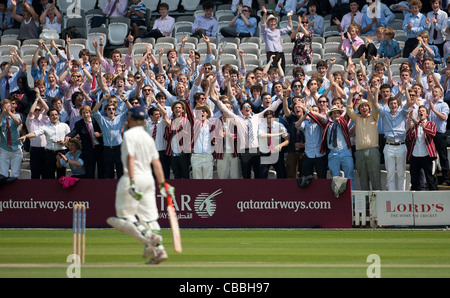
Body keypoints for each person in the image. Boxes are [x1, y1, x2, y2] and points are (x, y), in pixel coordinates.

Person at [107, 105, 174, 265]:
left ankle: (149, 237)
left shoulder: (129, 135)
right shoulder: (148, 137)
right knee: (150, 219)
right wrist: (163, 184)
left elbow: (130, 158)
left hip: (133, 177)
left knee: (124, 217)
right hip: (148, 179)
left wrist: (131, 181)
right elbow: (156, 162)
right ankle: (160, 250)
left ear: (130, 118)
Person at [373, 87, 412, 191]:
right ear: (389, 105)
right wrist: (377, 90)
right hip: (389, 146)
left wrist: (406, 89)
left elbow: (409, 102)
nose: (393, 105)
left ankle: (401, 196)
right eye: (391, 104)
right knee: (390, 174)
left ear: (397, 104)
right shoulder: (385, 114)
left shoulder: (402, 113)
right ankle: (391, 196)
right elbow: (376, 104)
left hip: (401, 145)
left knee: (401, 174)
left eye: (395, 103)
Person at [18, 108, 70, 179]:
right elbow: (35, 133)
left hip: (61, 152)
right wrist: (26, 136)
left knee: (61, 175)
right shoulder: (45, 127)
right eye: (52, 115)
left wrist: (64, 142)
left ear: (58, 115)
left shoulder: (64, 126)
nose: (54, 117)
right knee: (49, 175)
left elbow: (69, 138)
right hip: (49, 153)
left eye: (56, 115)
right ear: (49, 117)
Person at [347, 86, 382, 190]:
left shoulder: (374, 117)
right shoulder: (357, 118)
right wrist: (350, 94)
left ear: (369, 108)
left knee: (375, 177)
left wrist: (372, 93)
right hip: (359, 152)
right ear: (359, 109)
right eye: (361, 107)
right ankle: (366, 203)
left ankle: (377, 202)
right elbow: (349, 108)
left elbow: (376, 106)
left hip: (373, 151)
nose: (364, 108)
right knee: (363, 179)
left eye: (366, 106)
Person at [65, 105, 104, 179]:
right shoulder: (79, 124)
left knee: (101, 169)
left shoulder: (96, 121)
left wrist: (100, 134)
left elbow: (104, 132)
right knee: (89, 171)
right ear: (81, 114)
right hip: (88, 150)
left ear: (90, 113)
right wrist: (68, 136)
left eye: (87, 112)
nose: (86, 115)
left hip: (99, 148)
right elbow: (74, 131)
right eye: (83, 113)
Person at [406, 105, 438, 190]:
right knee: (414, 179)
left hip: (426, 155)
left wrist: (425, 128)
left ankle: (434, 198)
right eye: (420, 111)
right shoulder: (415, 126)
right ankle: (414, 199)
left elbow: (433, 134)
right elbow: (409, 137)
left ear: (427, 114)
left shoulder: (431, 124)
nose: (421, 112)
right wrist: (410, 129)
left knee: (429, 178)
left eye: (423, 111)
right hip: (415, 155)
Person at [425, 86, 449, 186]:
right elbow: (425, 116)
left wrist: (433, 110)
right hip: (430, 134)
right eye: (433, 92)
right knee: (429, 157)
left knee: (443, 157)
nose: (434, 93)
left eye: (436, 92)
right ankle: (430, 179)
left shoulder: (444, 105)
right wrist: (430, 108)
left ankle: (445, 178)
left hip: (440, 134)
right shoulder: (428, 104)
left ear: (441, 94)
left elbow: (443, 117)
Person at [258, 109, 289, 178]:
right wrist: (277, 134)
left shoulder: (280, 126)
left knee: (282, 175)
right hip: (265, 153)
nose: (269, 120)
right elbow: (261, 135)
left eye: (270, 118)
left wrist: (280, 145)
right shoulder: (261, 125)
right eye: (267, 118)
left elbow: (287, 141)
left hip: (276, 153)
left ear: (274, 118)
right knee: (262, 175)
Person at [260, 6, 293, 73]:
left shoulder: (278, 31)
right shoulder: (266, 31)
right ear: (268, 23)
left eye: (274, 21)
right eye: (271, 21)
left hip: (280, 53)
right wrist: (265, 14)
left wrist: (289, 17)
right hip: (271, 53)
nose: (273, 23)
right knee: (272, 71)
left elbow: (289, 28)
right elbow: (262, 25)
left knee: (281, 70)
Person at [25, 90, 49, 179]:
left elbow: (47, 109)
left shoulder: (44, 120)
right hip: (34, 150)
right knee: (35, 174)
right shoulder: (30, 121)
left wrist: (40, 98)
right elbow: (31, 112)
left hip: (45, 149)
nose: (37, 111)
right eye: (36, 109)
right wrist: (36, 100)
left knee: (45, 173)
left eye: (39, 110)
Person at [0, 98, 22, 179]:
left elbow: (18, 122)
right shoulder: (1, 117)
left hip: (16, 148)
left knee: (15, 174)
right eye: (4, 107)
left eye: (8, 106)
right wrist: (2, 114)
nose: (6, 109)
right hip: (4, 148)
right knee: (3, 174)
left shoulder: (17, 115)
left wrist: (9, 112)